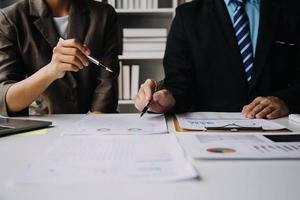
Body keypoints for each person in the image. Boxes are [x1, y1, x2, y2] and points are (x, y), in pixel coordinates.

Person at [134, 0, 300, 119]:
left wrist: (286, 101)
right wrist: (168, 100)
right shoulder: (187, 16)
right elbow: (180, 84)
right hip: (209, 133)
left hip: (282, 127)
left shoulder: (293, 9)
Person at [0, 0, 119, 116]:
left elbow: (106, 83)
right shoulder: (10, 18)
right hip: (42, 124)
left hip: (94, 124)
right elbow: (6, 100)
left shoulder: (103, 14)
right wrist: (51, 71)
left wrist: (94, 125)